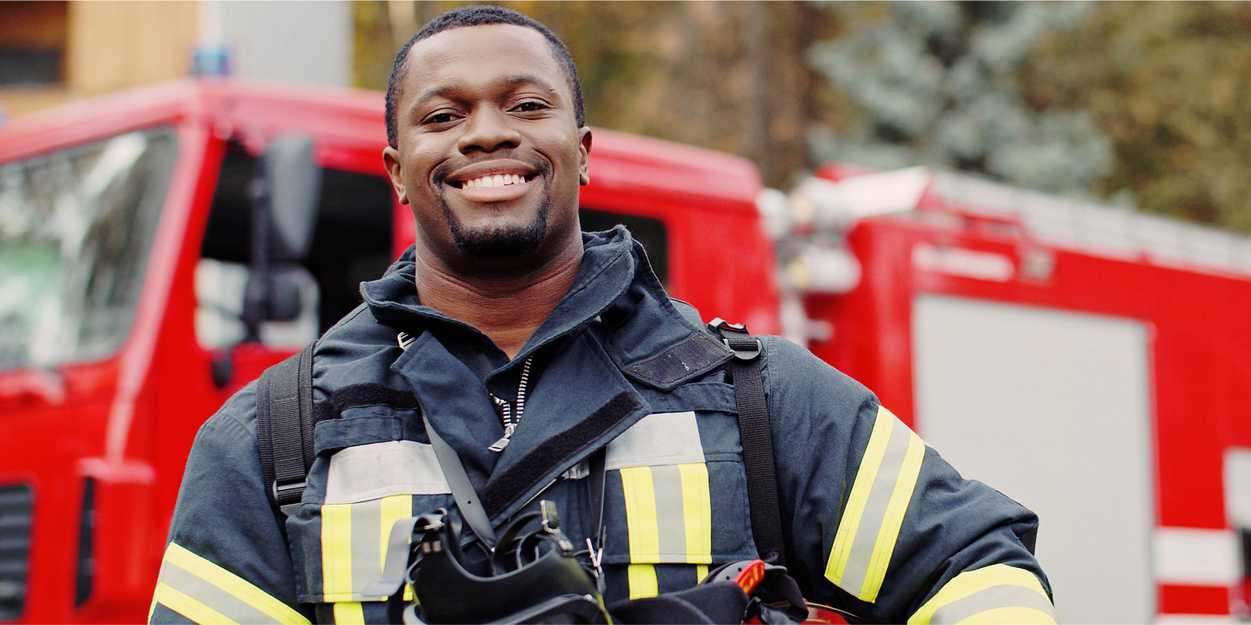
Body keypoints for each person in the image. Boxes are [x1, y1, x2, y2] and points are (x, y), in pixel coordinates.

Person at [147, 6, 1055, 624]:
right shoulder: (273, 440)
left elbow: (981, 568)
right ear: (396, 166)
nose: (487, 133)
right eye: (443, 114)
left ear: (581, 154)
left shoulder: (761, 403)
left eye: (526, 105)